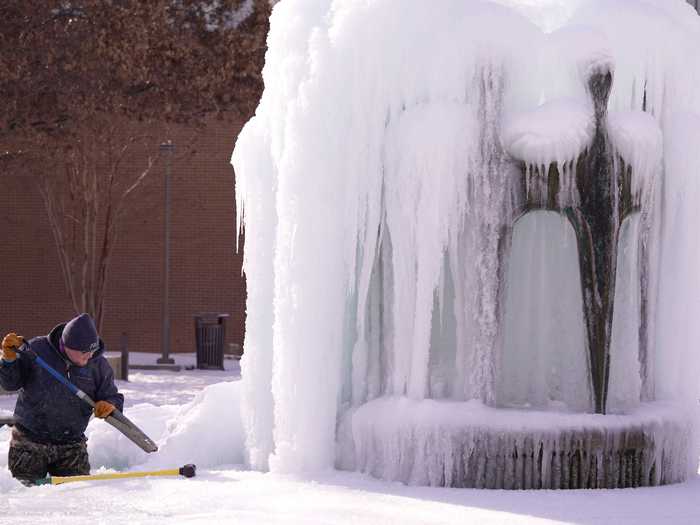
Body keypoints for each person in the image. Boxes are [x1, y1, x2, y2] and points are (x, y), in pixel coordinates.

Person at [0, 313, 124, 484]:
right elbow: (11, 383)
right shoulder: (36, 350)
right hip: (28, 441)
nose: (89, 356)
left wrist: (110, 404)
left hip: (71, 445)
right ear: (65, 345)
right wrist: (8, 361)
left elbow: (111, 395)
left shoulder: (98, 365)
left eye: (92, 351)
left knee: (77, 495)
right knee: (24, 497)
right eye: (83, 352)